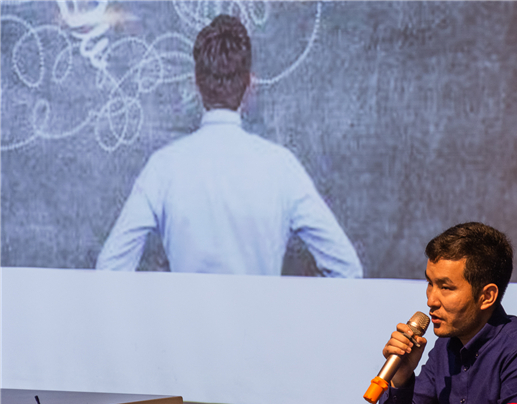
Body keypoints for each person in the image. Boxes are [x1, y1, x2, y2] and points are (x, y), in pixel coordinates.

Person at [96, 14, 362, 278]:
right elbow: (347, 269)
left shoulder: (162, 167)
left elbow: (109, 270)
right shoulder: (283, 167)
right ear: (250, 85)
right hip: (264, 308)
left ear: (196, 84)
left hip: (184, 309)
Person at [378, 222, 517, 404]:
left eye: (446, 287)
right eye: (430, 283)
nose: (431, 300)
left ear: (487, 296)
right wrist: (401, 376)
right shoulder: (445, 347)